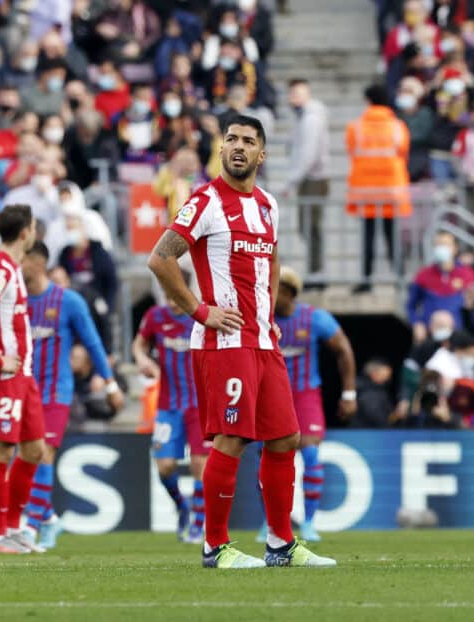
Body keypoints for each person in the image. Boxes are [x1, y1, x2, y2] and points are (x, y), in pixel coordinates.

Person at [147, 115, 334, 568]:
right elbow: (160, 258)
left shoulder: (268, 203)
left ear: (261, 154)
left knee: (286, 437)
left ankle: (281, 544)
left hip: (262, 341)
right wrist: (200, 310)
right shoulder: (206, 200)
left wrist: (268, 316)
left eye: (248, 141)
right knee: (231, 438)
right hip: (224, 342)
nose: (238, 146)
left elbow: (270, 261)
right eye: (230, 139)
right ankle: (214, 546)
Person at [22, 241, 122, 549]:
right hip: (25, 390)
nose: (16, 265)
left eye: (21, 259)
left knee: (43, 452)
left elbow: (93, 344)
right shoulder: (17, 302)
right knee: (27, 457)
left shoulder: (69, 301)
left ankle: (29, 526)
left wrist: (111, 385)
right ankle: (50, 519)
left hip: (57, 390)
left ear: (37, 263)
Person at [0, 203, 47, 555]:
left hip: (23, 374)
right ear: (25, 233)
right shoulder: (0, 268)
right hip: (4, 375)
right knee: (2, 448)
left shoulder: (10, 267)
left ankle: (15, 528)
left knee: (34, 449)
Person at [269, 266, 356, 542]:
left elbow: (343, 350)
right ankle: (270, 523)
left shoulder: (314, 318)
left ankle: (308, 522)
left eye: (275, 288)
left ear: (289, 292)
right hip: (270, 395)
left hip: (305, 393)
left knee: (311, 455)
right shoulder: (262, 319)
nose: (269, 293)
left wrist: (349, 394)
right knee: (268, 459)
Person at [133, 290, 208, 545]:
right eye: (169, 297)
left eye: (176, 296)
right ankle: (182, 505)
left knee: (200, 464)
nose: (173, 303)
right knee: (164, 466)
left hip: (201, 405)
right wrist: (143, 360)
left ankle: (198, 526)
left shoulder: (202, 315)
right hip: (168, 405)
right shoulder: (155, 316)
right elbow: (138, 344)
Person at [346, 84, 410, 292]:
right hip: (391, 190)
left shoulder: (356, 127)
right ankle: (399, 277)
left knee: (368, 236)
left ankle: (366, 280)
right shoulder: (398, 127)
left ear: (368, 101)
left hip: (366, 190)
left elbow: (352, 151)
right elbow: (403, 151)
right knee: (392, 236)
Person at [284, 79, 330, 274]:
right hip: (309, 178)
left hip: (313, 178)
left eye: (298, 94)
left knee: (310, 227)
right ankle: (315, 269)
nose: (293, 98)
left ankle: (316, 271)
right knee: (308, 227)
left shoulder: (311, 119)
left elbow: (308, 154)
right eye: (292, 94)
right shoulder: (303, 118)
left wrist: (292, 180)